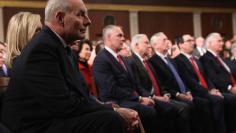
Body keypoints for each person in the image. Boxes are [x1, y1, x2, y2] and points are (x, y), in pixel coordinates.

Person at [1, 0, 138, 133]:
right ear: (60, 18)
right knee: (110, 119)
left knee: (125, 115)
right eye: (80, 14)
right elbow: (64, 105)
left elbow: (82, 94)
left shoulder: (62, 48)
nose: (88, 21)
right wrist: (111, 111)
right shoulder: (42, 48)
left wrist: (109, 107)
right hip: (37, 126)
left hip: (54, 119)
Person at [93, 25, 159, 133]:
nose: (123, 38)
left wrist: (144, 96)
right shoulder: (101, 59)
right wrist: (139, 99)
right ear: (109, 38)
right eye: (119, 35)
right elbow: (111, 89)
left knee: (157, 105)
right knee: (149, 111)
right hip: (116, 102)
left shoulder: (121, 58)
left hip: (128, 98)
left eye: (123, 35)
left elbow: (134, 83)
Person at [148, 32, 213, 133]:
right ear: (155, 45)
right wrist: (178, 94)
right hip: (173, 95)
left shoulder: (171, 60)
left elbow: (181, 79)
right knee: (190, 105)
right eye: (164, 40)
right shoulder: (153, 61)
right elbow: (163, 84)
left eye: (167, 39)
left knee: (203, 103)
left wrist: (187, 92)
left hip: (184, 93)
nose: (167, 42)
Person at [128, 34, 191, 133]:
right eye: (146, 43)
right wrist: (153, 96)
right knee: (177, 108)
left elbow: (158, 82)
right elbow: (138, 86)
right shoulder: (132, 62)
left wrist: (165, 93)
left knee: (183, 107)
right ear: (136, 45)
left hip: (159, 96)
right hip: (149, 98)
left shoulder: (146, 61)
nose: (149, 46)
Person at [174, 34, 226, 133]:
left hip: (205, 90)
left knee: (219, 98)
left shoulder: (196, 59)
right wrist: (207, 92)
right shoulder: (178, 60)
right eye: (188, 41)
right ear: (180, 45)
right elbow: (189, 80)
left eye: (192, 40)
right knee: (215, 100)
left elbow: (206, 77)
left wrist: (212, 89)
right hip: (195, 92)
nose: (192, 43)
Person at [200, 33, 236, 133]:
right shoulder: (206, 58)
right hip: (220, 89)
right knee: (233, 99)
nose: (222, 43)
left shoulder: (219, 57)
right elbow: (214, 78)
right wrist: (229, 87)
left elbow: (228, 74)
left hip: (230, 87)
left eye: (222, 41)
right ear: (210, 43)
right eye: (219, 41)